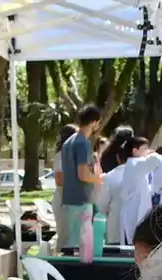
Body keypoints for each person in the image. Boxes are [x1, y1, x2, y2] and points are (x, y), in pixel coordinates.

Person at [57, 105, 103, 253]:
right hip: (81, 201)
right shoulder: (83, 143)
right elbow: (83, 174)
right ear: (94, 122)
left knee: (69, 245)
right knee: (81, 247)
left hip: (69, 199)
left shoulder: (67, 143)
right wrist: (98, 179)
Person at [107, 136, 155, 245]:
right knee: (133, 242)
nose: (147, 151)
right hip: (134, 213)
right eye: (145, 149)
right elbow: (156, 161)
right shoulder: (135, 163)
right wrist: (153, 154)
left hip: (134, 211)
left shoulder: (134, 164)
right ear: (134, 151)